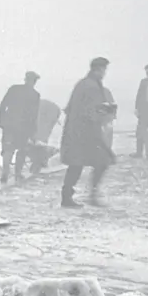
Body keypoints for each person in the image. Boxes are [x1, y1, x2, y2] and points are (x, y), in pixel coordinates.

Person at [60, 57, 116, 208]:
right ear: (98, 70)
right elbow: (92, 112)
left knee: (76, 164)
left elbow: (69, 108)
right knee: (103, 161)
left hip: (76, 132)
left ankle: (67, 197)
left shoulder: (82, 84)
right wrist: (107, 111)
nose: (104, 73)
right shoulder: (92, 86)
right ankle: (90, 196)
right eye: (104, 70)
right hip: (87, 132)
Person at [0, 71, 41, 185]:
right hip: (24, 127)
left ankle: (5, 173)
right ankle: (17, 173)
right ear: (34, 81)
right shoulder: (35, 95)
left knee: (8, 149)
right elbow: (34, 115)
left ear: (25, 79)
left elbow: (3, 104)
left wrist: (1, 120)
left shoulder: (14, 89)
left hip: (9, 124)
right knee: (21, 150)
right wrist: (33, 131)